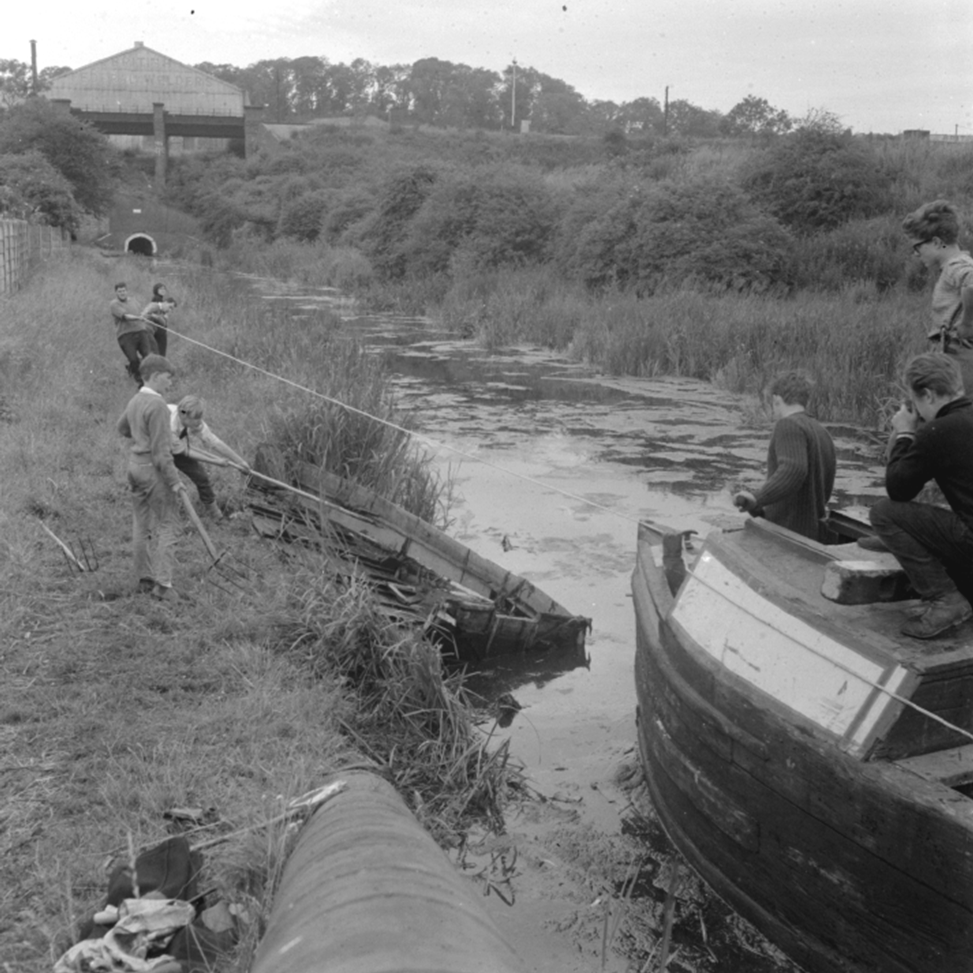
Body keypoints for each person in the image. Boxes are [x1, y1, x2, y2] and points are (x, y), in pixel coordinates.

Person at [869, 353, 973, 639]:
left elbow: (898, 489)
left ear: (926, 395)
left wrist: (904, 433)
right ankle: (912, 542)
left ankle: (946, 600)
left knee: (883, 513)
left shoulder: (939, 430)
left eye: (915, 403)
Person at [116, 354, 188, 601]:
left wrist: (140, 436)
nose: (170, 384)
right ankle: (164, 586)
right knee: (170, 523)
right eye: (168, 378)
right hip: (151, 470)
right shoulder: (158, 405)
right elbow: (161, 453)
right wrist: (175, 481)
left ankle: (143, 579)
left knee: (141, 524)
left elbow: (122, 428)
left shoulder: (136, 398)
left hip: (134, 467)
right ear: (156, 376)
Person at [734, 371, 836, 542]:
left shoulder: (788, 425)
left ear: (776, 400)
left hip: (788, 534)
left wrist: (756, 497)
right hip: (813, 534)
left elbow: (793, 470)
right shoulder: (822, 432)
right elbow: (823, 489)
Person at [902, 200, 973, 394]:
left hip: (959, 354)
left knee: (957, 408)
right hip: (952, 352)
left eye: (917, 247)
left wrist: (967, 323)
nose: (916, 254)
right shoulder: (955, 265)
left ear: (935, 242)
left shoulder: (955, 265)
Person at [169, 394, 251, 520]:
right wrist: (216, 461)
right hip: (155, 448)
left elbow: (214, 442)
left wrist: (240, 461)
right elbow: (185, 451)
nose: (199, 422)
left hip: (177, 446)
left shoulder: (190, 417)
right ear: (183, 415)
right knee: (163, 483)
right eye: (196, 419)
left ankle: (216, 515)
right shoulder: (169, 423)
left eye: (200, 418)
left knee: (201, 476)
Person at [111, 282, 155, 384]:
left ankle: (148, 379)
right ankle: (137, 377)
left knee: (147, 355)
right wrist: (138, 317)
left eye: (124, 291)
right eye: (119, 291)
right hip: (125, 335)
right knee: (133, 359)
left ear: (127, 291)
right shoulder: (114, 304)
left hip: (141, 331)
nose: (122, 293)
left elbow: (141, 313)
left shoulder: (134, 301)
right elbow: (125, 316)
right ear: (116, 293)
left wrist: (145, 317)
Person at [142, 283, 177, 358]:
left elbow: (163, 322)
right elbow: (144, 315)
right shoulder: (156, 301)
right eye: (161, 289)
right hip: (151, 331)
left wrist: (162, 317)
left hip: (155, 331)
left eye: (164, 289)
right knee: (155, 352)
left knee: (157, 353)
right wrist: (156, 316)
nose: (163, 290)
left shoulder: (162, 306)